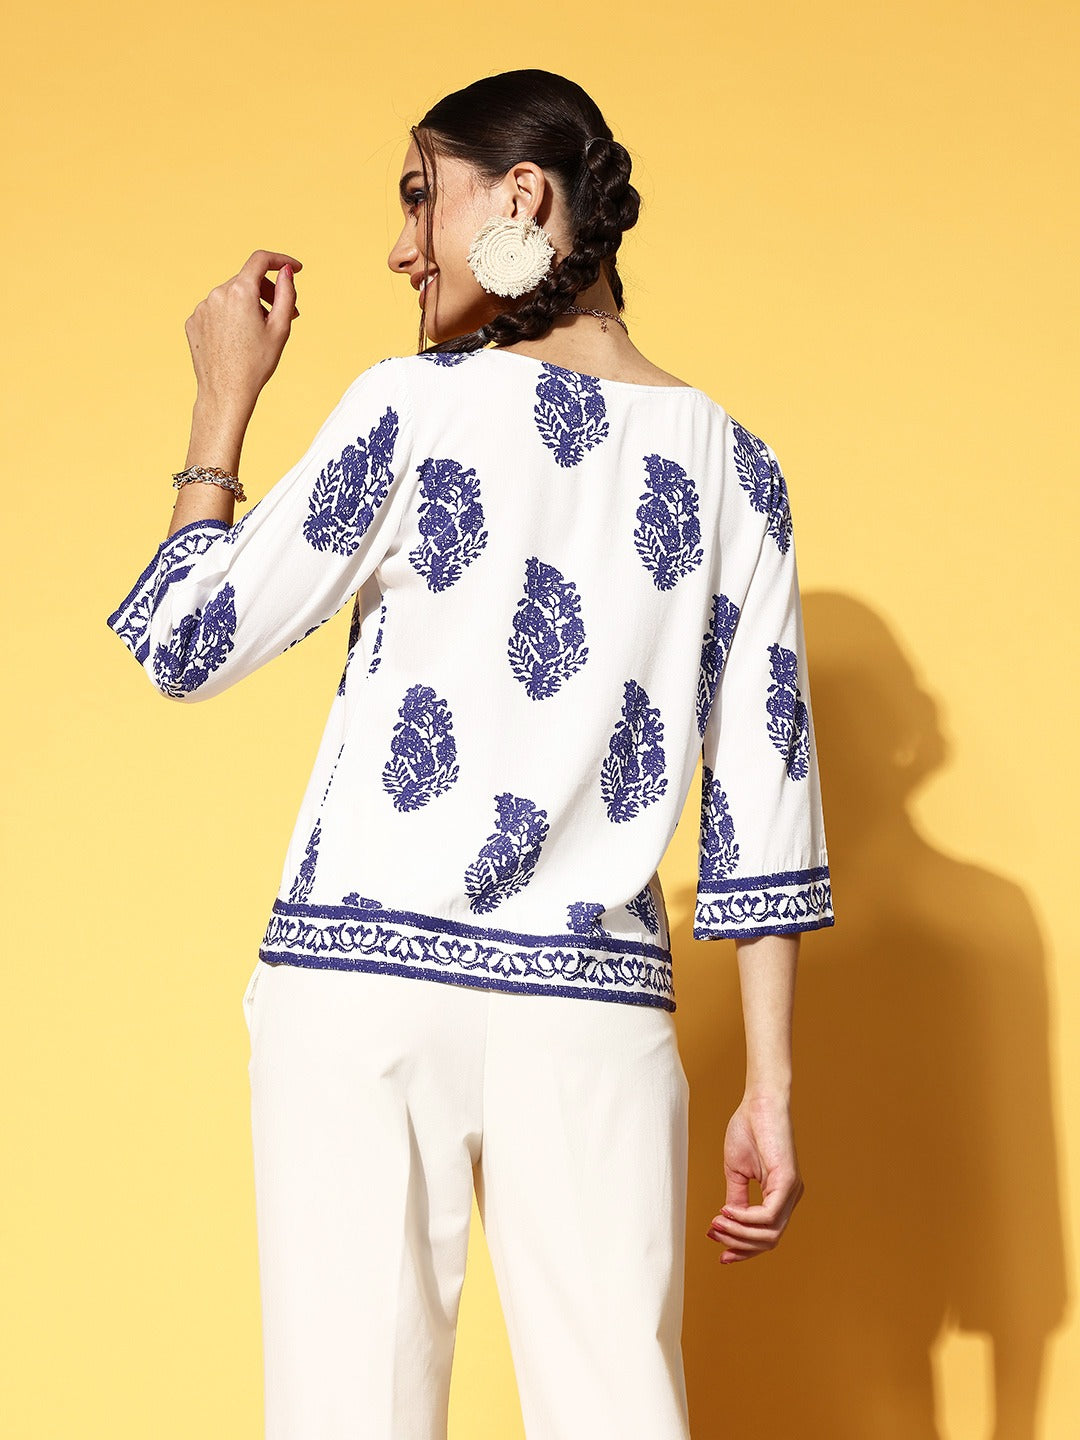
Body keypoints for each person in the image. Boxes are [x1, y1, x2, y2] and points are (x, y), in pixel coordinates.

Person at [105, 68, 834, 1440]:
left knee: (348, 1416)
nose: (399, 248)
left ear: (524, 196)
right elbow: (765, 801)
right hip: (593, 1010)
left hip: (361, 991)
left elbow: (188, 642)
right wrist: (769, 1092)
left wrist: (221, 402)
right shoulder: (737, 465)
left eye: (416, 198)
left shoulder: (412, 404)